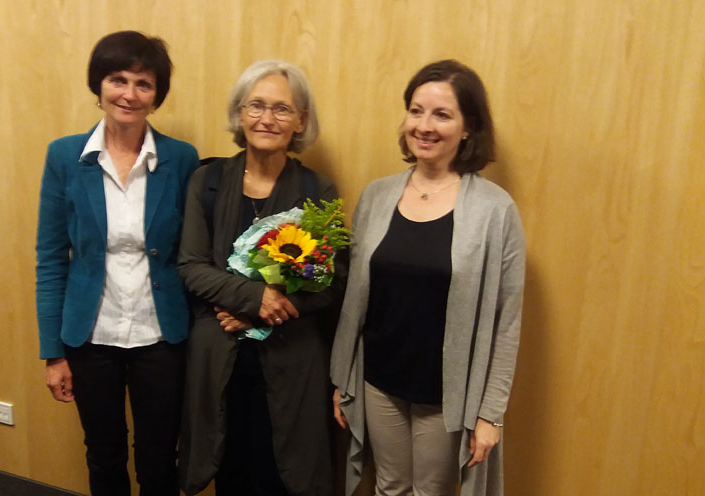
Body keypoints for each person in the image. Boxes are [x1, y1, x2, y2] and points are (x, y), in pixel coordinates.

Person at [330, 59, 526, 496]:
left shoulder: (495, 211)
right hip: (378, 380)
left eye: (442, 115)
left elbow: (506, 322)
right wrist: (344, 375)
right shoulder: (377, 196)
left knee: (430, 492)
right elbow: (356, 300)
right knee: (389, 486)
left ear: (468, 127)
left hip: (446, 391)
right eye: (416, 111)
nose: (424, 126)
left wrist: (491, 414)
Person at [35, 31, 198, 496]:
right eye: (118, 79)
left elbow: (193, 252)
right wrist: (53, 353)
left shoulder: (181, 158)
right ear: (99, 84)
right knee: (103, 454)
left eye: (143, 84)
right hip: (91, 336)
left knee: (159, 458)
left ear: (156, 95)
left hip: (161, 335)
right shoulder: (65, 156)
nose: (129, 94)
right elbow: (51, 258)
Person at [176, 59, 345, 496]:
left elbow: (332, 281)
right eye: (256, 106)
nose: (267, 118)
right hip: (220, 360)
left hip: (291, 361)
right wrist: (255, 298)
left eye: (282, 109)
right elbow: (191, 265)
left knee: (283, 475)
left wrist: (259, 314)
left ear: (301, 121)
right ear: (239, 113)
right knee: (230, 471)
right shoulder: (206, 181)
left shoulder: (318, 192)